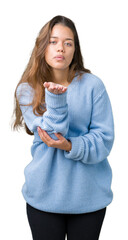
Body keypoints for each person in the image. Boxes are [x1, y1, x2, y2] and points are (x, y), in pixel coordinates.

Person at [12, 15, 115, 240]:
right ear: (42, 47)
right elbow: (49, 134)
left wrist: (71, 145)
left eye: (68, 43)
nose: (61, 49)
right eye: (53, 41)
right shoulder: (27, 89)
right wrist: (56, 99)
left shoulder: (93, 86)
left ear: (75, 49)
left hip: (89, 198)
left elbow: (104, 140)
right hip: (44, 197)